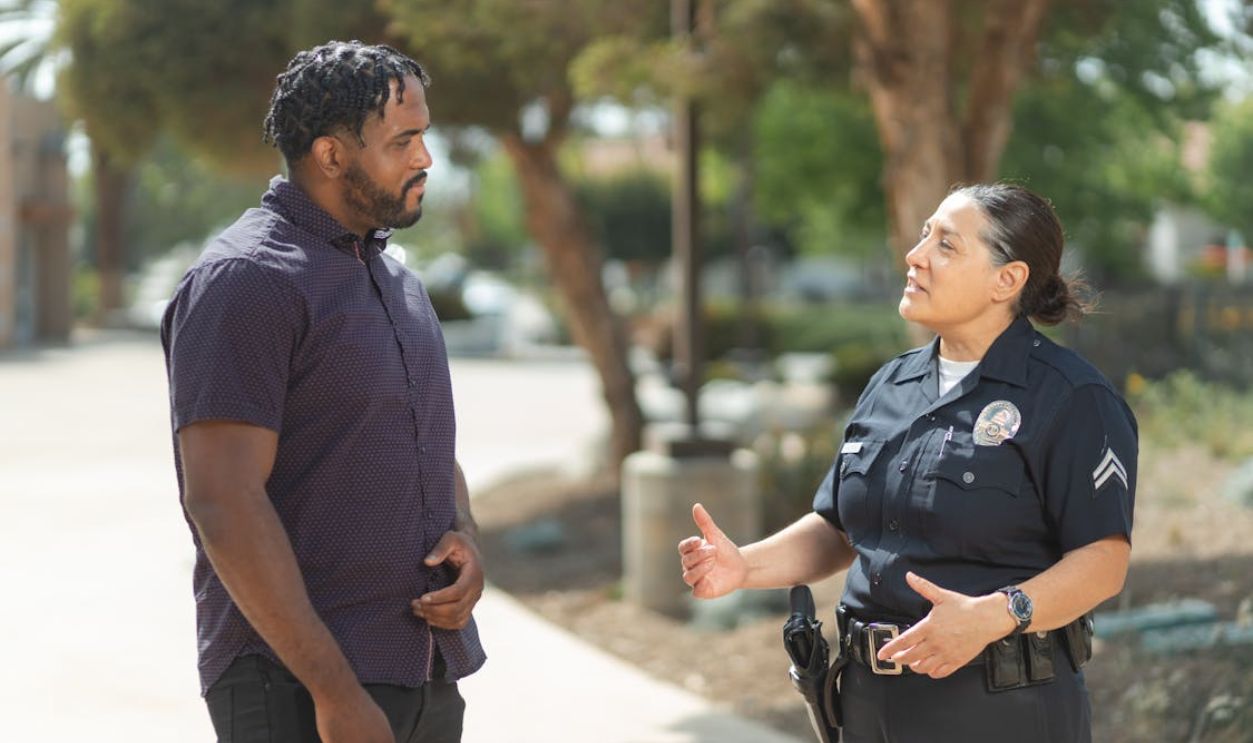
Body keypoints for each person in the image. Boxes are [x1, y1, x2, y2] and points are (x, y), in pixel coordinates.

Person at [678, 183, 1136, 742]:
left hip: (1000, 708)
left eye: (946, 245)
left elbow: (1103, 561)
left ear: (1007, 280)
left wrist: (999, 612)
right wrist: (744, 567)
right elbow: (838, 528)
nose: (915, 257)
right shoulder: (890, 384)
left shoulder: (1071, 397)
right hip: (867, 705)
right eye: (924, 236)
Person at [161, 41, 484, 743]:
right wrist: (333, 693)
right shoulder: (246, 281)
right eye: (403, 140)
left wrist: (464, 530)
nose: (425, 158)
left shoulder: (397, 281)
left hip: (423, 672)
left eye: (424, 136)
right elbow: (222, 500)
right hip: (299, 689)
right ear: (332, 155)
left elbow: (422, 442)